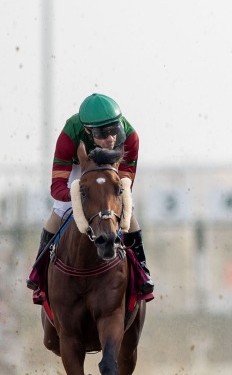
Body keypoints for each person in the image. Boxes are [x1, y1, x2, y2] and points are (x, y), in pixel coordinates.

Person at [27, 93, 153, 294]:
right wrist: (78, 196)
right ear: (87, 130)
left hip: (112, 170)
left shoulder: (130, 137)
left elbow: (125, 180)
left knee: (131, 213)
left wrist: (115, 197)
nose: (111, 139)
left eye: (114, 131)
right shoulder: (70, 134)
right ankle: (38, 270)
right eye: (103, 133)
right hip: (79, 168)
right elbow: (57, 185)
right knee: (60, 210)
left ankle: (142, 271)